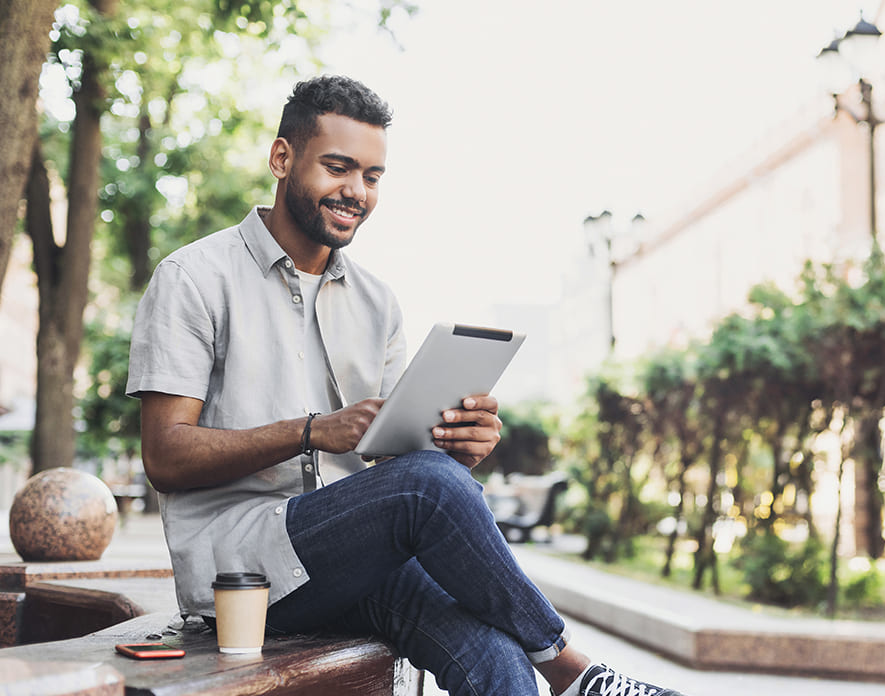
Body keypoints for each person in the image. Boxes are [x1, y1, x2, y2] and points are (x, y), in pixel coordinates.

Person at [127, 74, 688, 696]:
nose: (356, 192)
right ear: (281, 158)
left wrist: (456, 446)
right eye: (338, 168)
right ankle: (571, 670)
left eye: (372, 176)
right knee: (429, 487)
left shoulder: (376, 302)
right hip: (243, 580)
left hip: (353, 562)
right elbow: (165, 456)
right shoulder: (193, 278)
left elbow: (396, 461)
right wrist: (312, 432)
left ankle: (554, 673)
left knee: (495, 654)